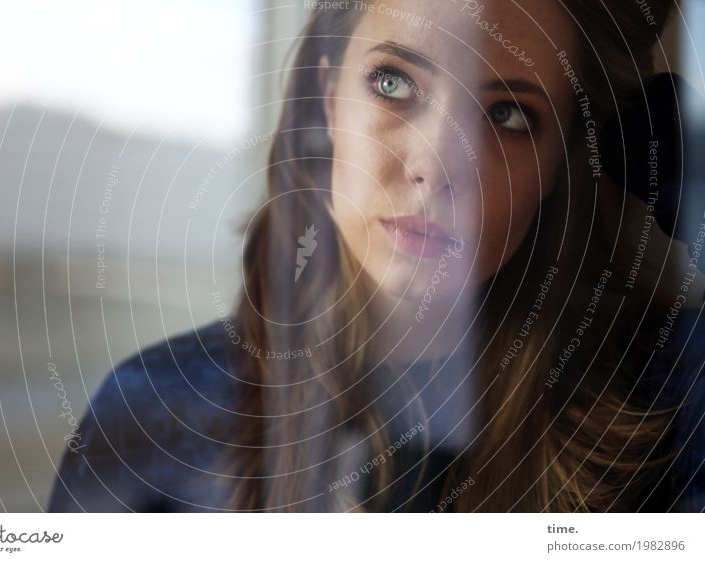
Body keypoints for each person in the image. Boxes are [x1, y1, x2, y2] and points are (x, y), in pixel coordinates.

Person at [48, 0, 705, 512]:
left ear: (564, 161)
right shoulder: (149, 411)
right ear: (327, 95)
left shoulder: (668, 402)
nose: (434, 165)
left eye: (508, 116)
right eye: (394, 82)